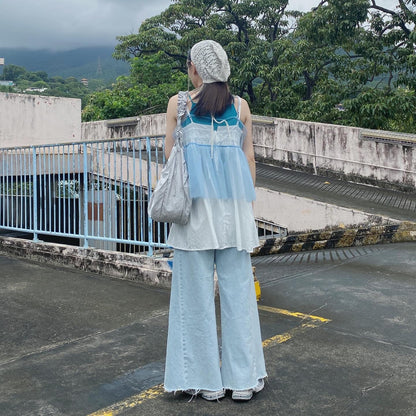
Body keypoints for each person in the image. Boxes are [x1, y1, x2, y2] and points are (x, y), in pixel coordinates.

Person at [163, 40, 267, 402]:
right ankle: (243, 380)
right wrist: (245, 212)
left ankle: (203, 381)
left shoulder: (179, 105)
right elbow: (250, 159)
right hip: (234, 214)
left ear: (194, 68)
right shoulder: (241, 107)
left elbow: (170, 157)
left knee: (193, 297)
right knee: (239, 296)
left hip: (193, 214)